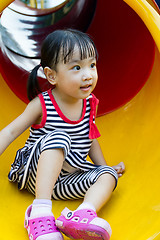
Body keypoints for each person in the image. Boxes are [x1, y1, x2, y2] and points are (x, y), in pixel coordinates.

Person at [0, 29, 125, 240]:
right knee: (60, 137)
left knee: (108, 176)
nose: (88, 74)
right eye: (76, 67)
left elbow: (90, 138)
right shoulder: (42, 104)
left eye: (92, 65)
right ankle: (39, 213)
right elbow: (12, 130)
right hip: (34, 175)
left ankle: (83, 214)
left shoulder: (89, 103)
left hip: (66, 181)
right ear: (52, 75)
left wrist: (104, 166)